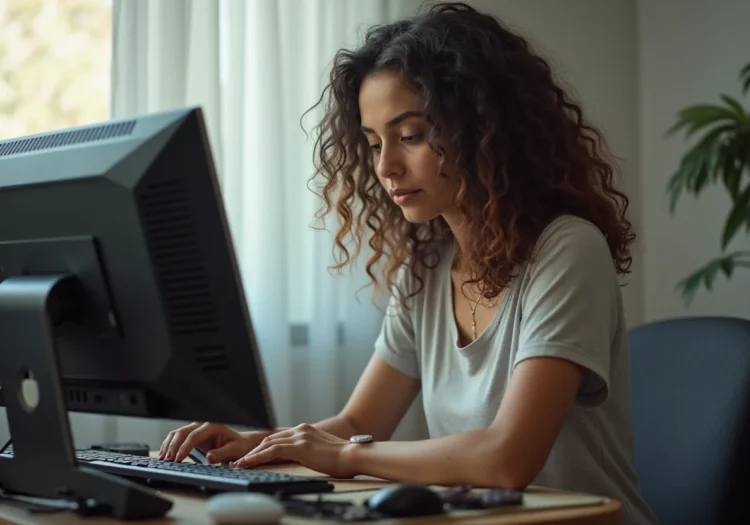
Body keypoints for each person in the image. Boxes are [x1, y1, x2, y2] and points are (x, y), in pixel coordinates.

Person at [160, 3, 657, 524]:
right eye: (373, 143)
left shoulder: (568, 249)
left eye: (411, 136)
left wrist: (350, 456)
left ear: (486, 130)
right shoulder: (426, 268)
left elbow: (507, 459)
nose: (385, 166)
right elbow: (358, 419)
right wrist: (254, 446)